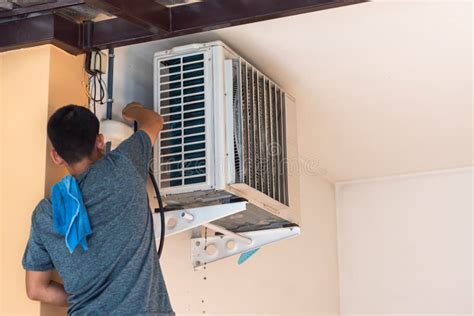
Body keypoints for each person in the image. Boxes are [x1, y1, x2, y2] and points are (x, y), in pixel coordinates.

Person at [22, 102, 174, 315]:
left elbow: (36, 289)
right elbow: (155, 122)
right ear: (100, 141)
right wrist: (132, 110)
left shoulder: (45, 215)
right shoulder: (125, 165)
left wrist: (87, 297)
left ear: (56, 156)